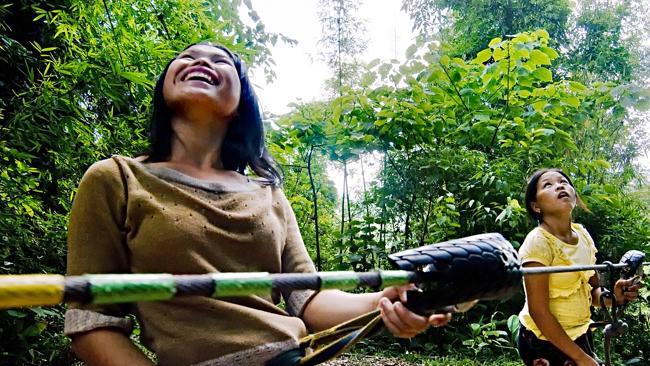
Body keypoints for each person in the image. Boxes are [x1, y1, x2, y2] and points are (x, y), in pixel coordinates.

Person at [63, 42, 451, 366]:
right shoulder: (116, 179)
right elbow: (91, 322)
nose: (201, 61)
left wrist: (384, 300)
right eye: (187, 57)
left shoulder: (267, 192)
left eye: (220, 61)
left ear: (241, 99)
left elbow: (309, 299)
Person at [517, 168, 640, 366]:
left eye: (564, 182)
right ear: (536, 206)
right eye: (548, 185)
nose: (559, 185)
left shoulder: (583, 235)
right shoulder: (538, 243)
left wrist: (614, 297)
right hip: (541, 340)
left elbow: (593, 292)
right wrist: (581, 358)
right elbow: (538, 312)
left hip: (580, 334)